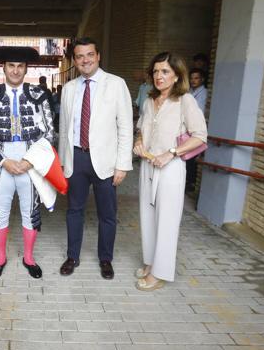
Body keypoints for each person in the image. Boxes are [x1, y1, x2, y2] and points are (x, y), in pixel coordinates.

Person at [58, 37, 133, 280]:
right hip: (76, 159)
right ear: (75, 60)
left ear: (98, 56)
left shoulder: (116, 84)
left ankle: (105, 259)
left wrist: (122, 164)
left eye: (89, 54)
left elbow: (125, 126)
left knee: (107, 214)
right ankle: (72, 256)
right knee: (74, 210)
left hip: (106, 161)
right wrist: (61, 162)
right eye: (80, 56)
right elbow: (64, 127)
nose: (85, 60)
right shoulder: (69, 88)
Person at [0, 46, 55, 279]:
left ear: (26, 68)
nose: (15, 70)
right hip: (3, 161)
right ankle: (0, 258)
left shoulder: (40, 95)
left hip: (29, 158)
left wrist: (30, 161)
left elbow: (50, 132)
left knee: (30, 211)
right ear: (4, 68)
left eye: (20, 66)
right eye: (11, 66)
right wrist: (2, 161)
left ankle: (29, 258)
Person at [133, 52, 207, 291]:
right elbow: (141, 129)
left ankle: (160, 273)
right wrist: (139, 141)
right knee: (147, 215)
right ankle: (151, 262)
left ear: (177, 76)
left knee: (166, 220)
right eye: (155, 71)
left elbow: (200, 137)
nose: (159, 76)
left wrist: (172, 152)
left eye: (165, 71)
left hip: (171, 167)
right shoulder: (148, 100)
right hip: (148, 164)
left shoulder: (185, 101)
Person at [185, 67, 208, 192]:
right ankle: (187, 180)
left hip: (196, 129)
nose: (193, 81)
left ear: (202, 79)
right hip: (186, 129)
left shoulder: (204, 93)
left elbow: (200, 112)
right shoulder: (188, 92)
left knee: (192, 156)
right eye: (192, 78)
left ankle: (191, 182)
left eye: (196, 78)